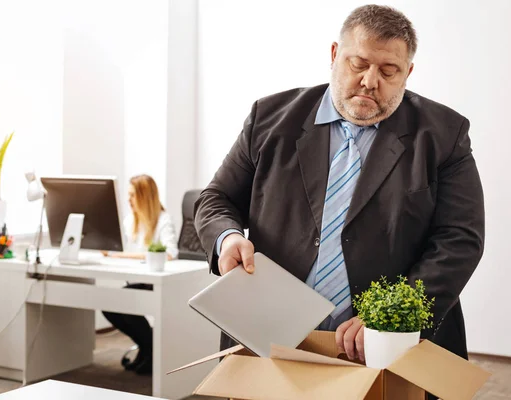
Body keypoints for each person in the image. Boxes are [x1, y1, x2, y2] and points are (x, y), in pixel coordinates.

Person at [194, 5, 484, 397]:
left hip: (384, 347)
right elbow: (216, 198)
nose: (369, 81)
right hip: (272, 335)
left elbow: (460, 239)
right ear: (334, 55)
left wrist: (390, 317)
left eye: (387, 70)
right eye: (358, 63)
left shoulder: (444, 134)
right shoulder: (269, 118)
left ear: (408, 73)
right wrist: (227, 237)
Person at [102, 174, 178, 374]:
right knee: (109, 305)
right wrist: (110, 251)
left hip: (156, 283)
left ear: (144, 196)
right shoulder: (130, 221)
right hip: (138, 280)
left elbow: (170, 253)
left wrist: (123, 256)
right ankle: (147, 347)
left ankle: (149, 350)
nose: (129, 200)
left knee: (125, 304)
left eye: (132, 195)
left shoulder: (163, 220)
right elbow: (121, 249)